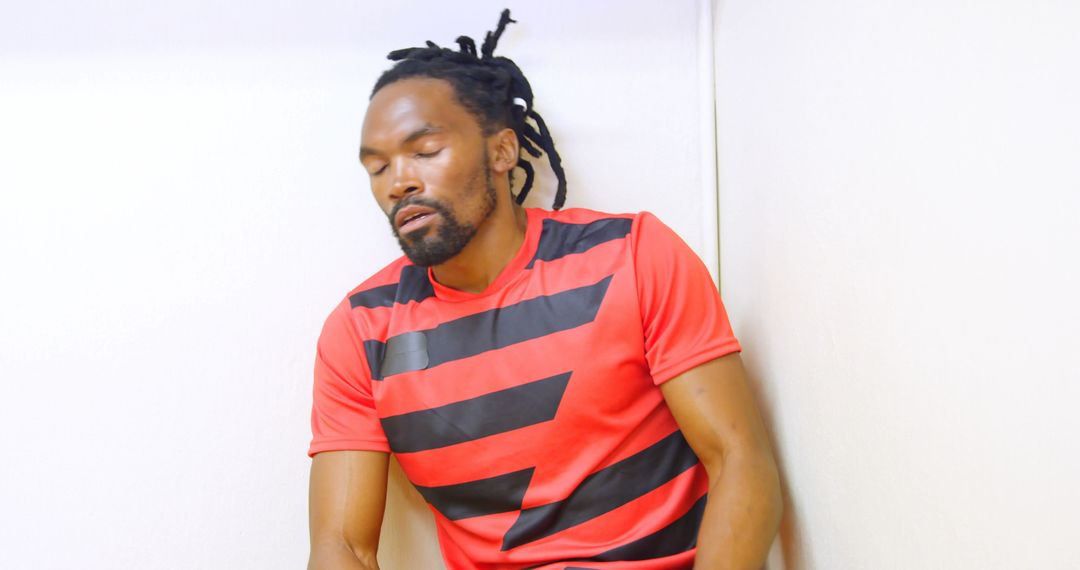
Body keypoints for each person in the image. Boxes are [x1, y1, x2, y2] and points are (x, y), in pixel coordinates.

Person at [307, 10, 781, 570]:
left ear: (502, 151)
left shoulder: (632, 256)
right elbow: (342, 546)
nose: (398, 181)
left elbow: (740, 460)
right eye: (377, 167)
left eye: (425, 151)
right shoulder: (362, 331)